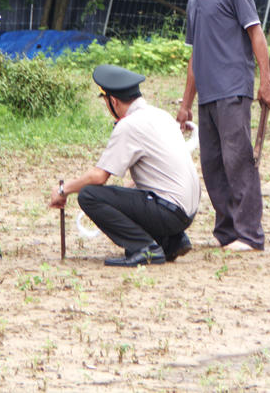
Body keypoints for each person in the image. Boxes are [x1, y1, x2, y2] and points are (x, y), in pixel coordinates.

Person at [174, 0, 270, 252]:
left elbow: (255, 32)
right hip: (207, 93)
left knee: (238, 160)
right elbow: (195, 53)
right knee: (213, 163)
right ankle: (227, 230)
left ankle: (249, 234)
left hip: (233, 89)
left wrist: (266, 81)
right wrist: (186, 103)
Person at [50, 65, 200, 267]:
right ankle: (171, 240)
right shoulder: (160, 115)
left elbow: (99, 177)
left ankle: (145, 248)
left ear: (113, 101)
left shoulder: (128, 125)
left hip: (169, 211)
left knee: (89, 195)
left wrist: (64, 189)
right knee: (123, 193)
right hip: (186, 212)